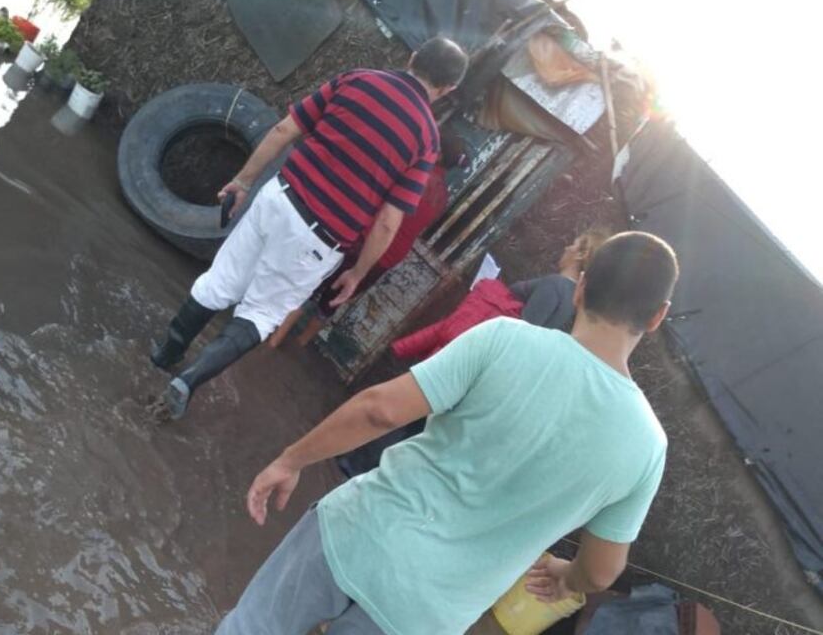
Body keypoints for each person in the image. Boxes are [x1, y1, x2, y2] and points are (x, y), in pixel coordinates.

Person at [217, 231, 679, 635]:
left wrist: (291, 460)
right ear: (658, 316)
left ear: (580, 288)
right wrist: (566, 575)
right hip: (425, 615)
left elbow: (379, 410)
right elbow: (601, 571)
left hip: (357, 532)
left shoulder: (507, 338)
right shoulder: (647, 446)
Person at [149, 37, 469, 420]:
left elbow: (284, 130)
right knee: (261, 314)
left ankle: (164, 355)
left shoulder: (357, 79)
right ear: (449, 88)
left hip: (279, 197)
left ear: (413, 57)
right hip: (318, 239)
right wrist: (358, 273)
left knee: (220, 282)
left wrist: (243, 180)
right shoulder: (426, 140)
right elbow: (388, 221)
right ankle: (188, 380)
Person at [268, 128, 468, 348]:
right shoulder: (442, 198)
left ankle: (275, 339)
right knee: (335, 298)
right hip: (388, 257)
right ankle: (301, 342)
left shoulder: (416, 179)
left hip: (366, 242)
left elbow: (382, 210)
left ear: (437, 154)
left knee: (314, 283)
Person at [391, 228, 610, 361]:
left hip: (478, 348)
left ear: (581, 254)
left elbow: (519, 329)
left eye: (574, 244)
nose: (567, 247)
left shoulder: (554, 285)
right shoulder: (571, 299)